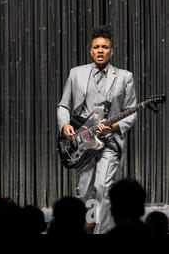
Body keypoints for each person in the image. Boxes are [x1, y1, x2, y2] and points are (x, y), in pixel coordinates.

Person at [57, 25, 137, 234]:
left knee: (102, 188)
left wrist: (116, 125)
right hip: (83, 142)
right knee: (83, 190)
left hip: (109, 142)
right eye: (96, 47)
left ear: (112, 51)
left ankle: (102, 231)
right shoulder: (76, 74)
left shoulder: (124, 77)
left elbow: (132, 111)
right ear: (90, 50)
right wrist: (65, 124)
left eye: (105, 47)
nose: (100, 50)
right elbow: (64, 105)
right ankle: (82, 230)